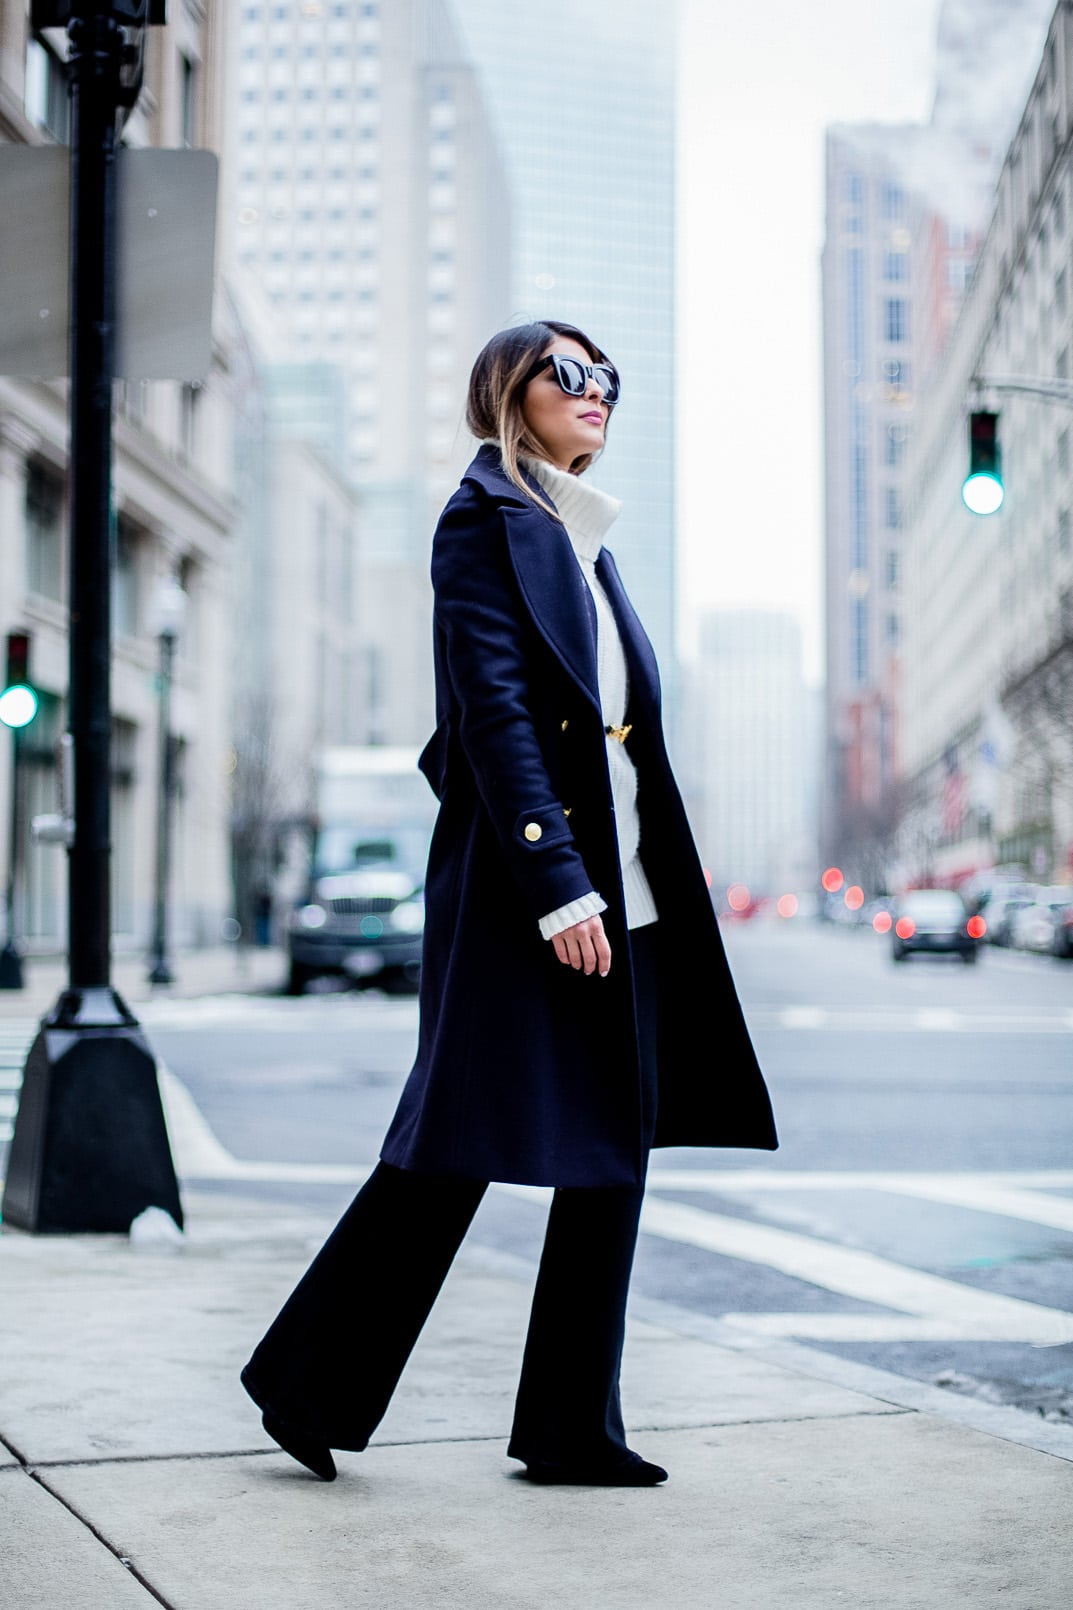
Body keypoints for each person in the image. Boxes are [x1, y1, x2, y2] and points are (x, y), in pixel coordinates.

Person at [240, 320, 777, 1487]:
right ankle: (306, 1382)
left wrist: (617, 880)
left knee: (611, 1156)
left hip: (625, 896)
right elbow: (491, 710)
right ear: (507, 392)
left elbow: (617, 735)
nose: (594, 394)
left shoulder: (587, 542)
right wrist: (553, 880)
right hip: (529, 897)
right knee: (454, 1143)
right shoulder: (481, 523)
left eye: (607, 380)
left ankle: (571, 1424)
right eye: (567, 374)